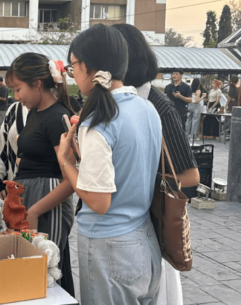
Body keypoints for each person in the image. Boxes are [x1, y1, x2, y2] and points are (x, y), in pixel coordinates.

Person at [58, 24, 162, 304]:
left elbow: (99, 202)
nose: (73, 73)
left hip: (109, 247)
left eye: (73, 65)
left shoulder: (98, 123)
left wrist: (65, 162)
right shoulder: (147, 108)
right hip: (146, 238)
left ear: (87, 66)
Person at [115, 23, 200, 305]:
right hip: (126, 230)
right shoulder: (122, 103)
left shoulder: (157, 105)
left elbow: (191, 176)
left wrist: (137, 184)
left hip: (152, 230)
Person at [5, 52, 76, 296]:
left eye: (18, 89)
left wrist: (35, 210)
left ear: (37, 84)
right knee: (31, 271)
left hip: (47, 203)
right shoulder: (36, 112)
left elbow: (72, 178)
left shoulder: (57, 117)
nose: (17, 97)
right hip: (31, 198)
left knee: (47, 272)